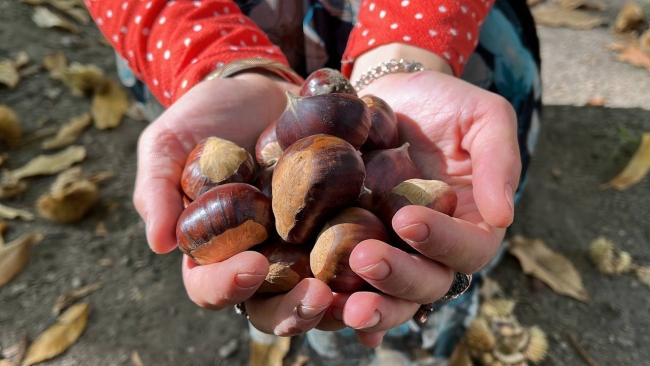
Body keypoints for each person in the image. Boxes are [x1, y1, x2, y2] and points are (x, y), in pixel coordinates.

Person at [86, 0, 541, 364]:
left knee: (438, 254)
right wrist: (212, 59)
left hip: (426, 26)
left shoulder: (348, 148)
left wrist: (408, 52)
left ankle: (426, 338)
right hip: (208, 29)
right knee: (308, 289)